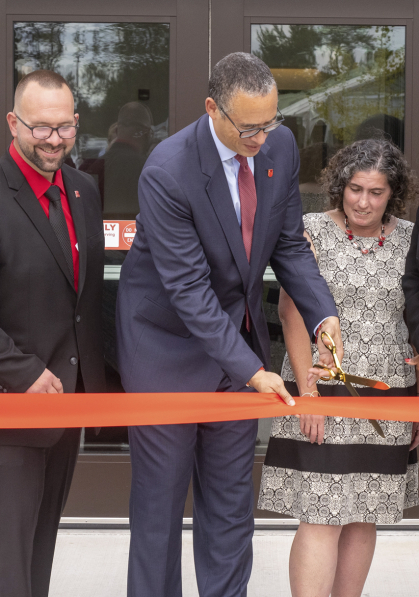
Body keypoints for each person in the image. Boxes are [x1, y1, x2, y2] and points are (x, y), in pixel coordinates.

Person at [116, 52, 342, 597]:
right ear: (213, 108)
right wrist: (254, 371)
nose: (261, 139)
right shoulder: (167, 171)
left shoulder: (279, 148)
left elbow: (288, 244)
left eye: (270, 124)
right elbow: (189, 292)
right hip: (165, 347)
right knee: (160, 507)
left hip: (236, 339)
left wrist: (323, 315)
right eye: (248, 128)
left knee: (230, 504)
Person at [258, 138, 419, 597]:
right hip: (322, 390)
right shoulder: (310, 231)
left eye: (376, 192)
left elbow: (416, 320)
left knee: (364, 513)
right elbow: (291, 314)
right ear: (339, 187)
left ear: (393, 194)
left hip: (389, 397)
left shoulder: (409, 239)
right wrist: (309, 398)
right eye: (354, 189)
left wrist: (417, 405)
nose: (363, 201)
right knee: (322, 515)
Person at [0, 70, 106, 597]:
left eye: (64, 127)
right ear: (13, 123)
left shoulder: (83, 189)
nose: (54, 139)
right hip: (11, 407)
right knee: (7, 558)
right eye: (41, 128)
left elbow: (82, 301)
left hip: (67, 405)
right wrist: (22, 374)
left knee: (41, 548)